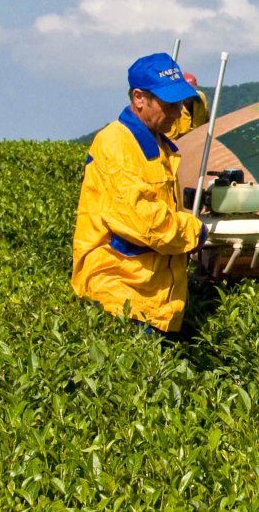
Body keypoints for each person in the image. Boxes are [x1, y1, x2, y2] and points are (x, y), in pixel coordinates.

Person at [72, 52, 208, 333]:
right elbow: (147, 223)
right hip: (121, 297)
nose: (177, 112)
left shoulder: (159, 143)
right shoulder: (117, 144)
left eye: (180, 103)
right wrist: (196, 232)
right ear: (138, 98)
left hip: (150, 298)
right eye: (169, 104)